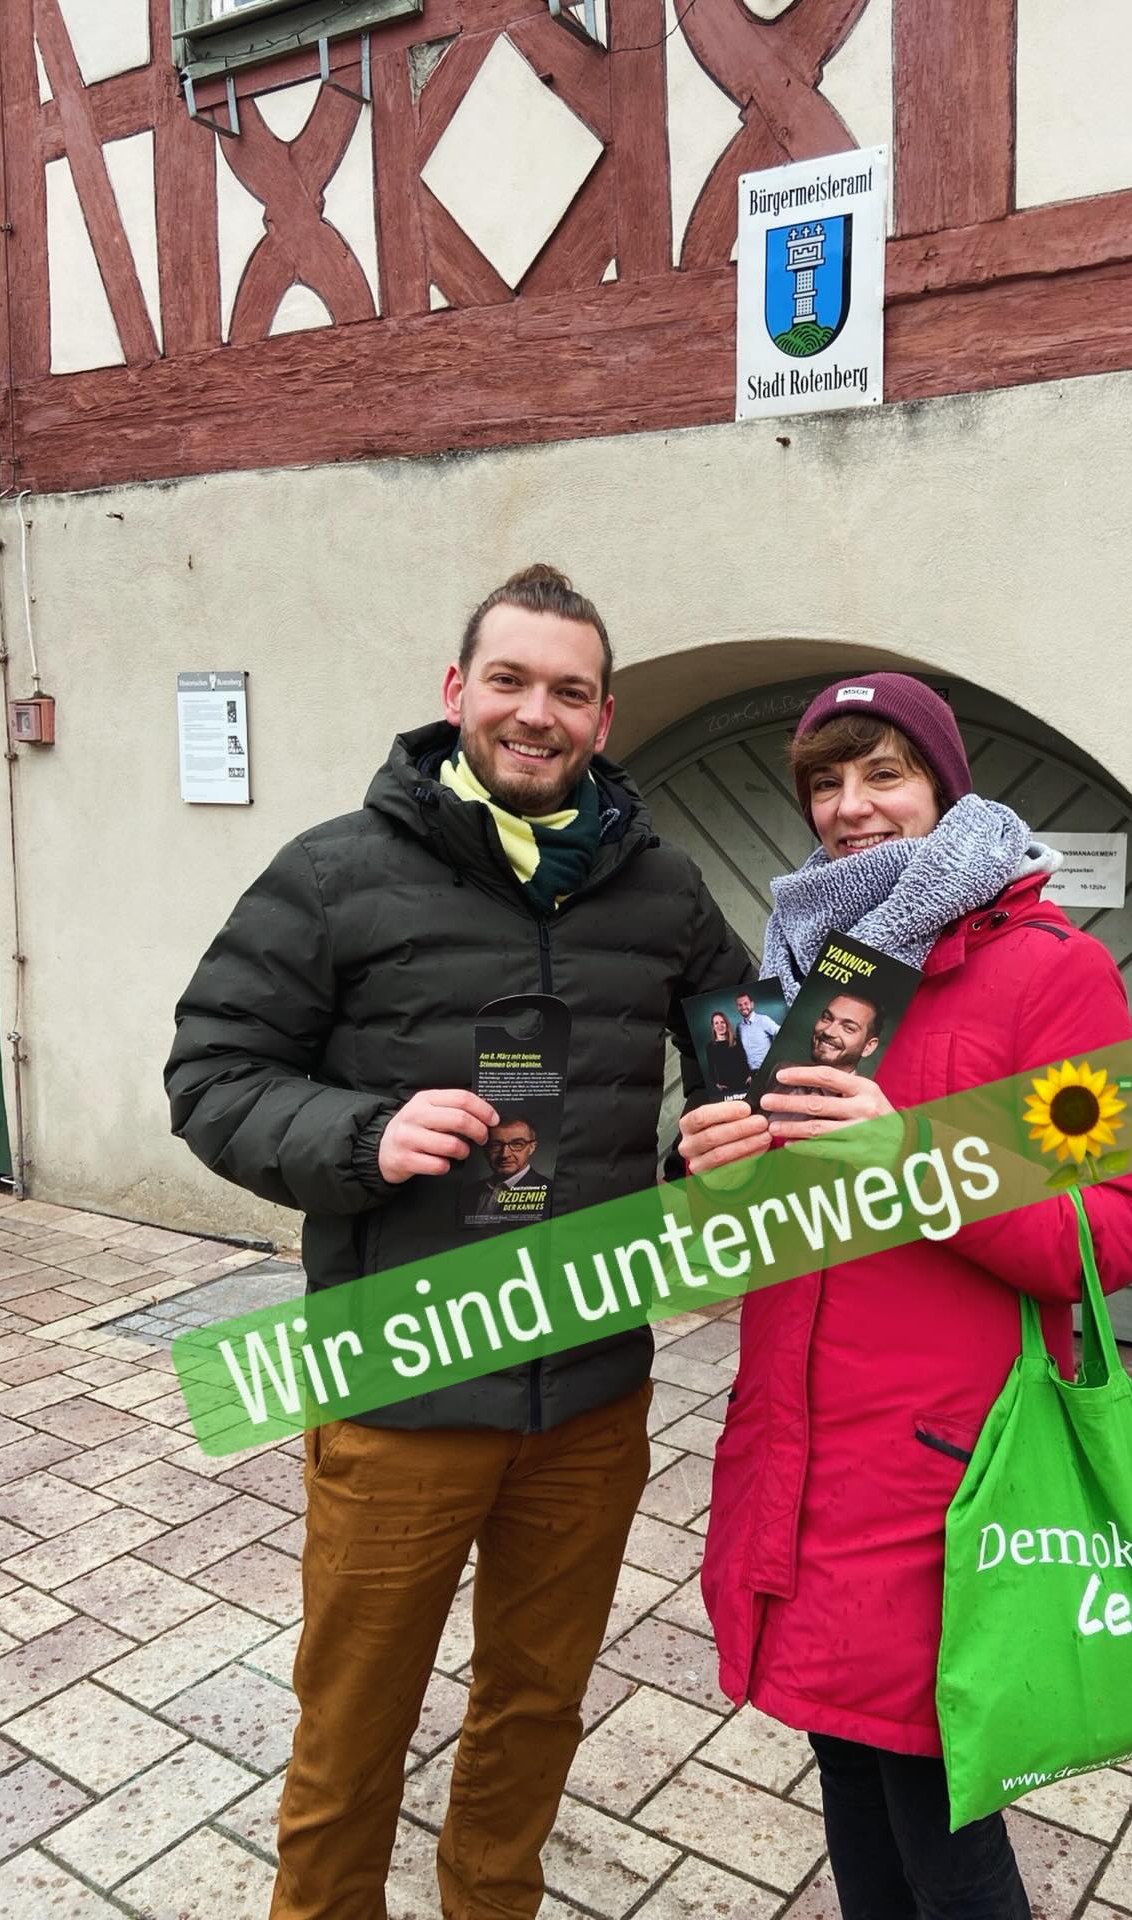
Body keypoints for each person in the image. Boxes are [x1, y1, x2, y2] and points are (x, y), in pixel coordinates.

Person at [165, 563, 753, 1920]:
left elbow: (735, 1045)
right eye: (510, 681)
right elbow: (213, 1073)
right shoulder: (331, 873)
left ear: (603, 717)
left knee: (536, 1707)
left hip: (591, 1390)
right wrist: (362, 1134)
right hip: (403, 1382)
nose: (535, 712)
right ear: (455, 693)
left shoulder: (661, 888)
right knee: (353, 1722)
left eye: (568, 690)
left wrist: (707, 1139)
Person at [680, 672, 1132, 1920]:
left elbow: (1121, 1226)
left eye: (883, 772)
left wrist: (915, 1160)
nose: (851, 806)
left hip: (949, 1478)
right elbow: (786, 1232)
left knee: (942, 1821)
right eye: (827, 782)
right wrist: (714, 1179)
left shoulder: (1049, 973)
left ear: (945, 788)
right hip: (800, 1456)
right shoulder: (810, 977)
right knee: (851, 1777)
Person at [464, 1113, 553, 1221]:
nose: (505, 1154)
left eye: (517, 1144)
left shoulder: (551, 1193)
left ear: (532, 1147)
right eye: (495, 1145)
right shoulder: (469, 1192)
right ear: (485, 1149)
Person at [809, 993, 881, 1072]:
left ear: (868, 1047)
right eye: (827, 1018)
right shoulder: (793, 1072)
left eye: (849, 1028)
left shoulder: (865, 1085)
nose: (828, 1032)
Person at [705, 1011, 751, 1095]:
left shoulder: (736, 1041)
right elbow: (711, 1068)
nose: (720, 1025)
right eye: (716, 1023)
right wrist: (716, 1084)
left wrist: (749, 1076)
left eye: (722, 1022)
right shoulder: (710, 1047)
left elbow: (744, 1060)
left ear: (726, 1024)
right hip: (727, 1088)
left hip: (744, 1083)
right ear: (713, 1027)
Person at [734, 990, 779, 1072]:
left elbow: (780, 1033)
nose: (743, 1007)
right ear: (737, 1008)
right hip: (751, 1074)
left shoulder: (763, 1020)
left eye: (746, 1003)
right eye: (740, 1005)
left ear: (752, 1004)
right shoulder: (739, 1027)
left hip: (768, 1069)